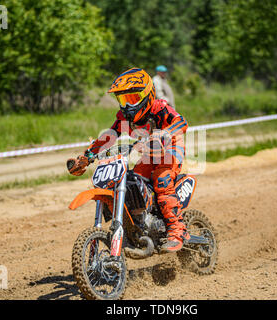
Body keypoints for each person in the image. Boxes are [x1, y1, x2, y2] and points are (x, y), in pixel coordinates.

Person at [67, 68, 189, 252]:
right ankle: (141, 223)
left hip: (171, 146)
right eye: (123, 99)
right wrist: (87, 157)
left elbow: (181, 122)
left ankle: (177, 231)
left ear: (147, 94)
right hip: (150, 150)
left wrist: (165, 133)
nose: (127, 105)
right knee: (135, 180)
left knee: (162, 180)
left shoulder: (159, 108)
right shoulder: (124, 116)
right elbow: (109, 136)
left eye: (132, 99)